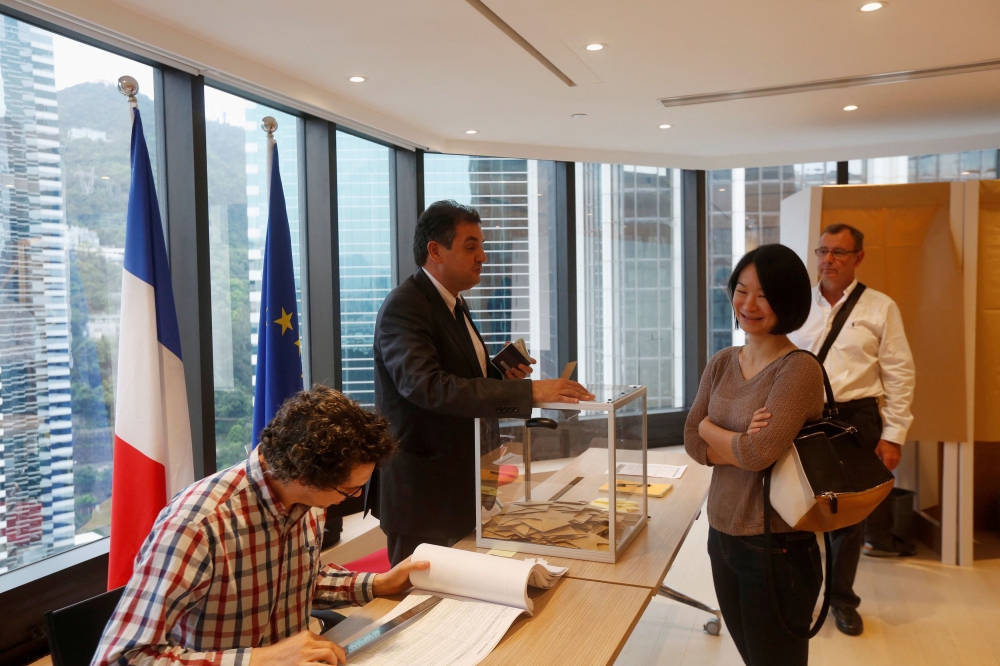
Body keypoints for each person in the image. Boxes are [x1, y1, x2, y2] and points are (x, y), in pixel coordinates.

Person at [93, 386, 429, 666]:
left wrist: (378, 584)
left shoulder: (308, 502)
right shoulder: (197, 525)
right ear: (303, 474)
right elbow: (122, 657)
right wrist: (260, 659)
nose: (355, 496)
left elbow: (297, 579)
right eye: (349, 490)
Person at [372, 199, 593, 566]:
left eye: (483, 246)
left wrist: (497, 373)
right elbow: (428, 387)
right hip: (424, 495)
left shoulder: (456, 304)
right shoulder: (405, 305)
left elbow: (459, 380)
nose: (483, 258)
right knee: (421, 611)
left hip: (467, 482)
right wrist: (529, 392)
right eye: (471, 246)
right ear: (435, 250)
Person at [685, 244, 825, 666]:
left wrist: (714, 428)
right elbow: (692, 437)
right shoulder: (723, 362)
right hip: (722, 535)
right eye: (741, 290)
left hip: (777, 547)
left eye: (763, 295)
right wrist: (732, 440)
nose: (748, 304)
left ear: (788, 299)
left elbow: (757, 453)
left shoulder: (798, 369)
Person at [788, 223, 915, 637]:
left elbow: (899, 374)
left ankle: (841, 599)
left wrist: (893, 435)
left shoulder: (880, 307)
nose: (828, 260)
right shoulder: (797, 307)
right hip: (804, 417)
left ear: (858, 257)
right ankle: (802, 597)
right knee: (798, 509)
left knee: (850, 514)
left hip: (857, 419)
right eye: (822, 251)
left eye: (839, 252)